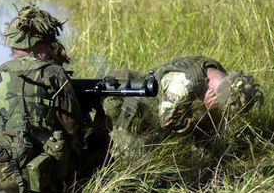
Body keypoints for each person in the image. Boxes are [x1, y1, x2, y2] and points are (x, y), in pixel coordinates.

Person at [0, 4, 100, 193]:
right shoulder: (53, 73)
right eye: (48, 44)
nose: (52, 50)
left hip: (1, 183)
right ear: (37, 44)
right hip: (42, 182)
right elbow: (73, 131)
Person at [103, 56, 264, 158]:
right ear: (214, 94)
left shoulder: (219, 74)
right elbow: (165, 123)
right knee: (132, 164)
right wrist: (205, 112)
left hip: (153, 107)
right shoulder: (183, 84)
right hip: (133, 114)